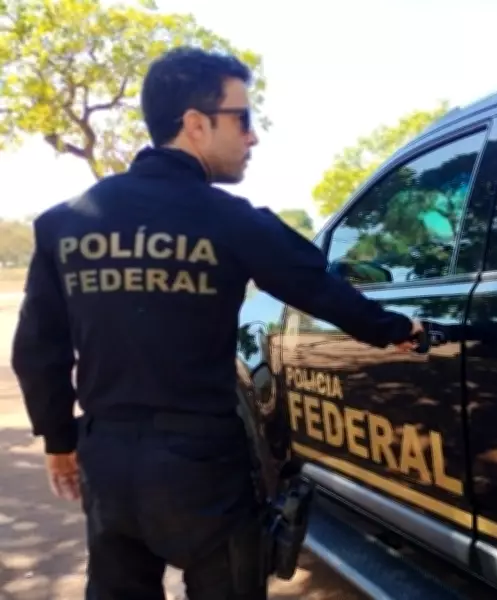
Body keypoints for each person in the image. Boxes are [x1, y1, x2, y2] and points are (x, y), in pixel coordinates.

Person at [11, 46, 423, 600]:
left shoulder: (64, 224)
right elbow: (317, 286)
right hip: (200, 466)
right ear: (196, 123)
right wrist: (397, 329)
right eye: (243, 119)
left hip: (106, 460)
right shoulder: (230, 220)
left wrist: (60, 440)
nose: (253, 137)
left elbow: (37, 349)